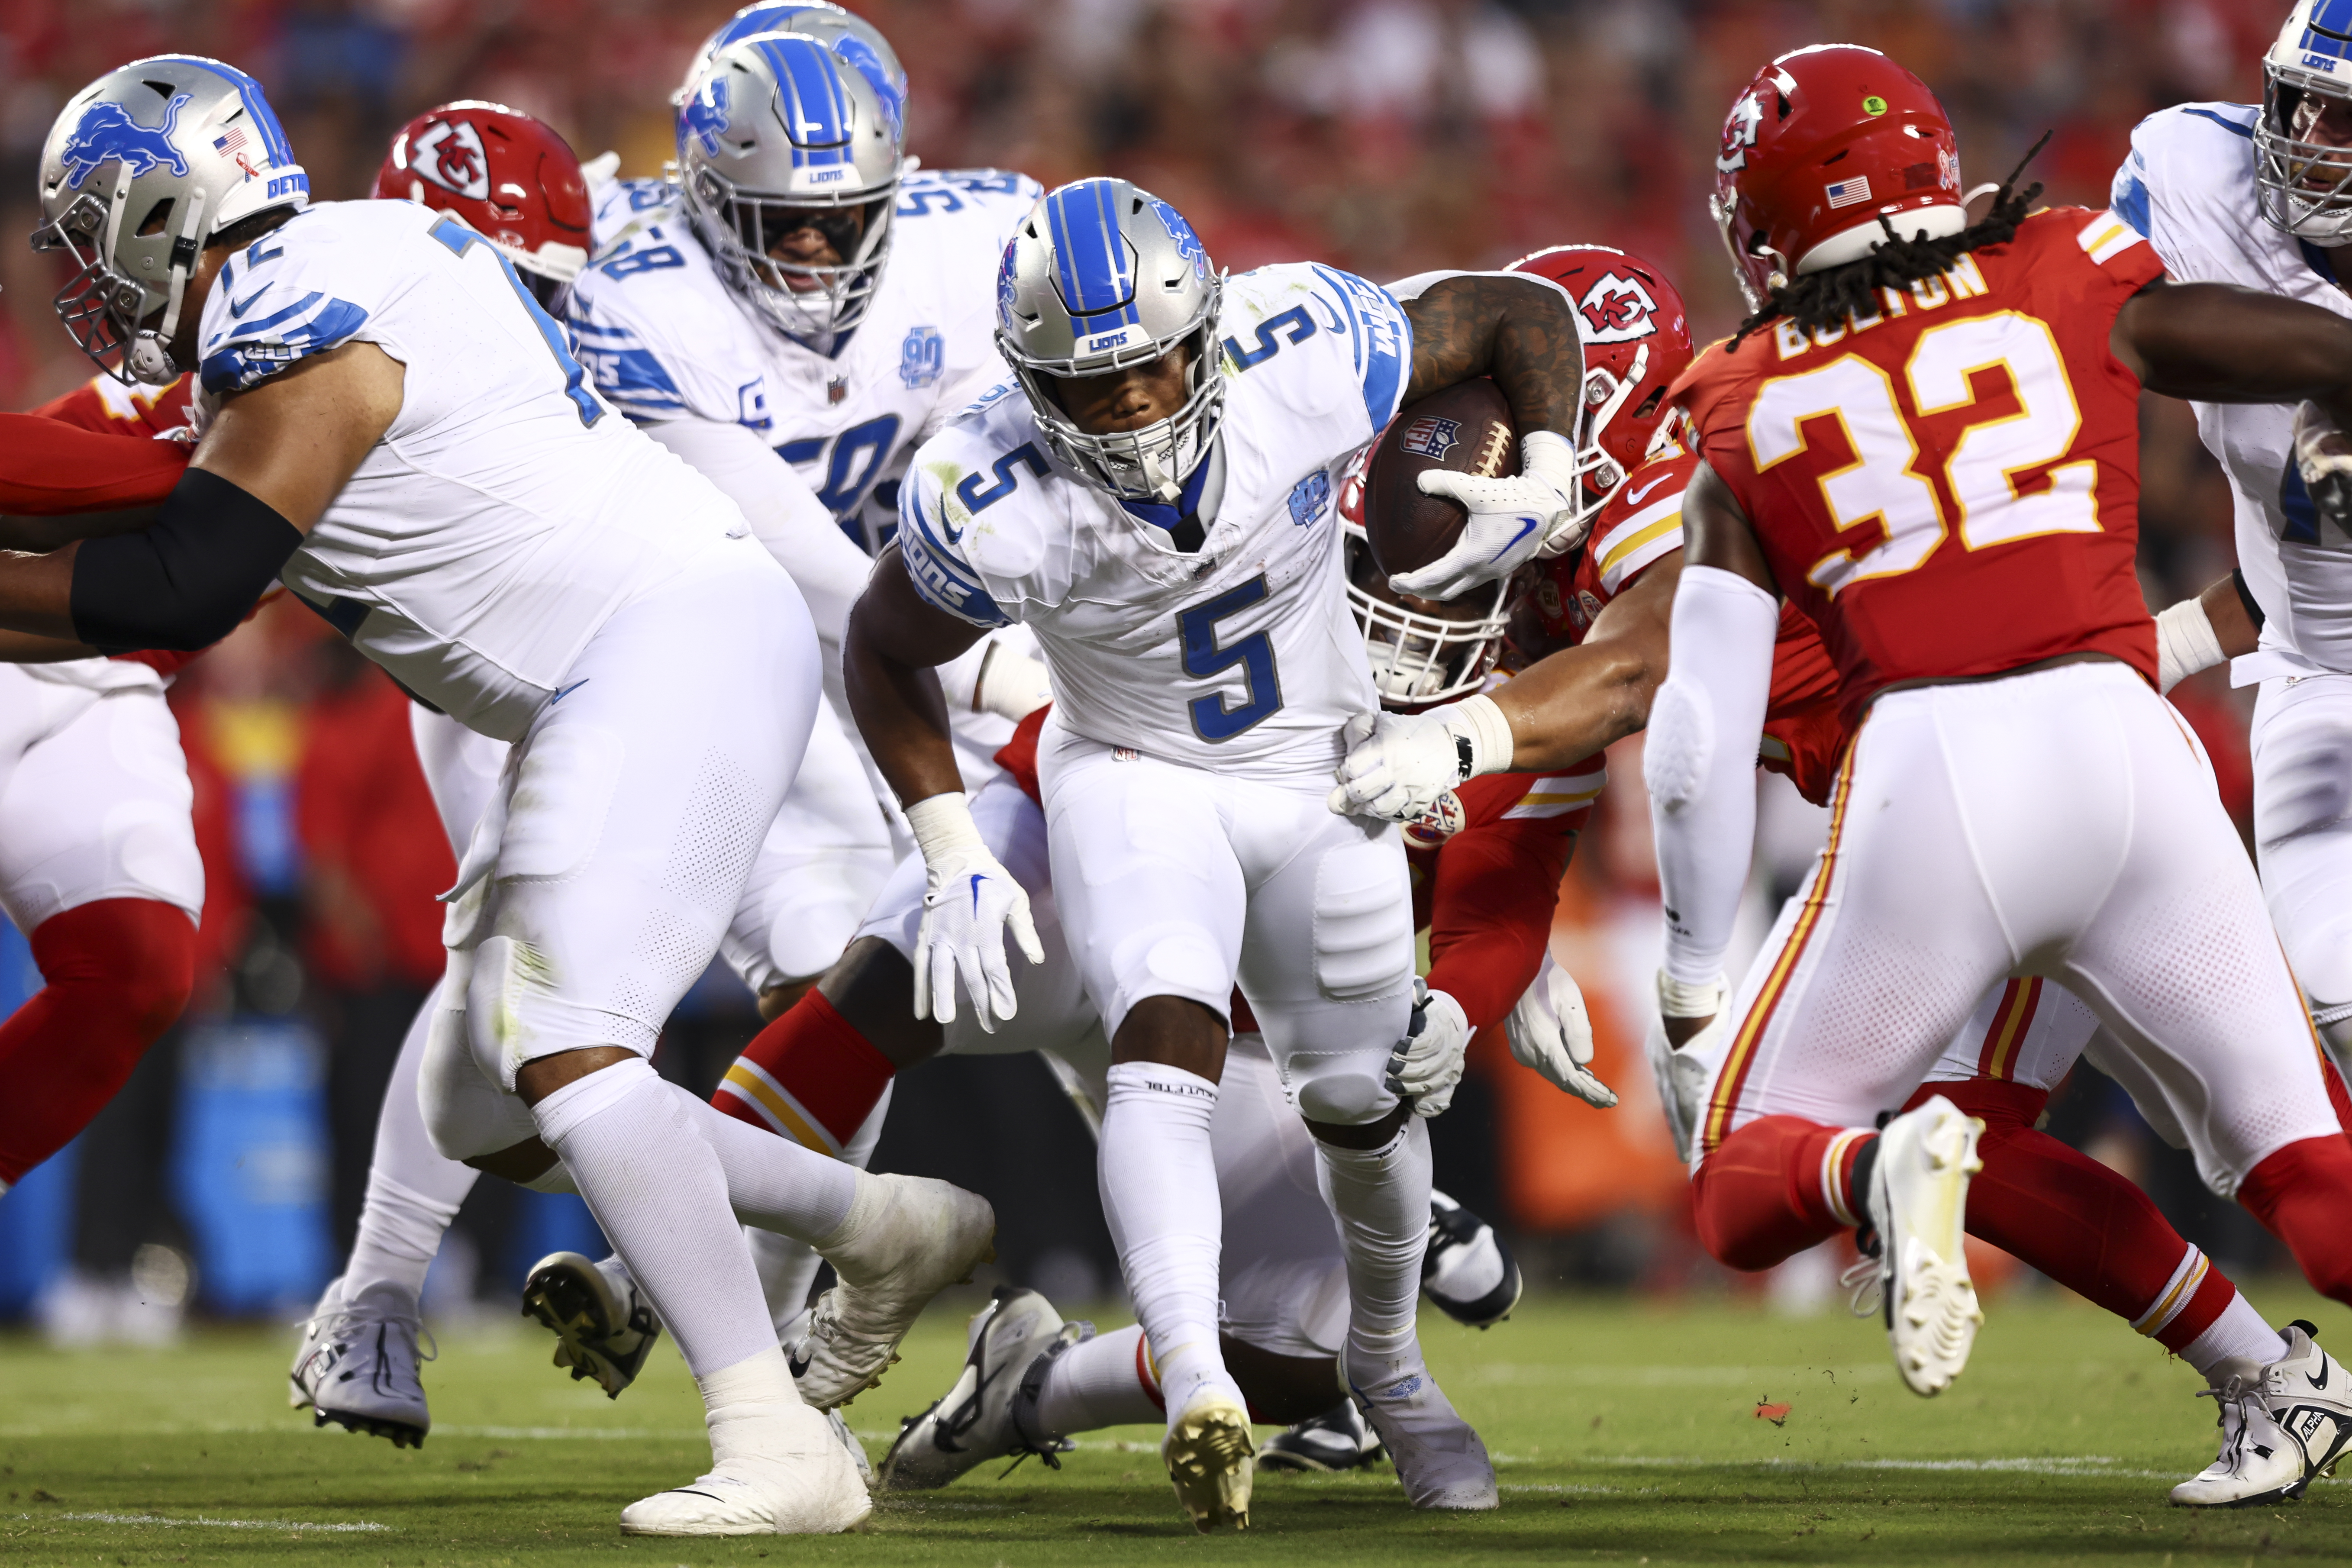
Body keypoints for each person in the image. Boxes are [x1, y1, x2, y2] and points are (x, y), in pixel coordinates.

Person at [16, 54, 991, 1536]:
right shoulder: (315, 279)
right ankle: (876, 1219)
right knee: (490, 1084)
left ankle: (773, 1433)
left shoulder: (302, 297)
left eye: (99, 230)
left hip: (660, 647)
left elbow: (185, 581)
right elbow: (105, 503)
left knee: (567, 1037)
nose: (89, 273)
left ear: (166, 207)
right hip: (616, 670)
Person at [1334, 234, 2352, 1505]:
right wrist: (1459, 998)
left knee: (1804, 1164)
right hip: (1997, 785)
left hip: (1959, 803)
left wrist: (1475, 745)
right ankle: (2271, 1376)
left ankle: (2263, 1369)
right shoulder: (1582, 560)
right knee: (2023, 1141)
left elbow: (1646, 671)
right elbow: (1514, 844)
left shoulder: (1696, 459)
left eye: (1512, 406)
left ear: (1595, 400)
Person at [1625, 42, 2352, 1489]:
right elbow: (2277, 344)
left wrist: (1692, 976)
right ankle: (2276, 1383)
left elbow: (1695, 741)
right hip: (2134, 760)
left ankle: (1873, 1175)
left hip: (1936, 781)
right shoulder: (2063, 259)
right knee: (2319, 1188)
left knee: (1741, 1182)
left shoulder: (1738, 390)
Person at [840, 173, 1588, 1528]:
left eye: (1149, 365)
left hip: (1322, 768)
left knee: (1365, 1099)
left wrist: (1546, 465)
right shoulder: (989, 480)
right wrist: (949, 841)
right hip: (1136, 770)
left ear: (1208, 328)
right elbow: (882, 648)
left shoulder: (1302, 342)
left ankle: (1392, 1364)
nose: (1128, 402)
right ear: (1028, 379)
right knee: (1165, 1028)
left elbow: (1514, 308)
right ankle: (1194, 1374)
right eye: (1090, 382)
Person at [0, 396, 200, 1197]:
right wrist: (212, 485)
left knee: (134, 959)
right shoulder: (295, 337)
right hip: (21, 613)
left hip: (113, 665)